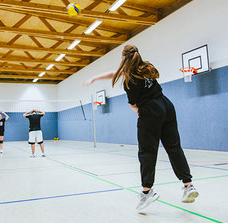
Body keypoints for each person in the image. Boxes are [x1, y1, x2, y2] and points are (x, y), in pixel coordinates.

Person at [83, 45, 199, 210]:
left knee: (147, 151)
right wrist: (95, 77)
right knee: (174, 147)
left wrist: (141, 113)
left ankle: (147, 192)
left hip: (150, 111)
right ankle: (188, 186)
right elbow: (116, 73)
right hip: (167, 105)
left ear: (123, 57)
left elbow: (133, 105)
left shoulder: (129, 80)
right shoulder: (146, 67)